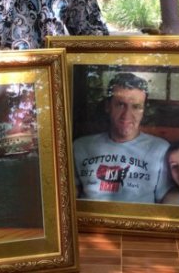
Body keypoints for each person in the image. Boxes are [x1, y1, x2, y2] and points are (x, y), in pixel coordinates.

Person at [73, 72, 171, 203]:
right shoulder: (80, 146)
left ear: (143, 111)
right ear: (108, 106)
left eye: (136, 107)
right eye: (120, 104)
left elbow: (166, 201)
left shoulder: (159, 149)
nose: (126, 115)